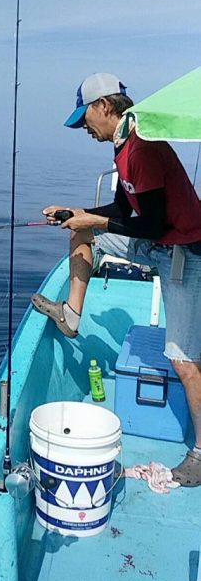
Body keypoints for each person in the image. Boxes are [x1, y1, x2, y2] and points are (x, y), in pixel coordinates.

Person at [32, 72, 201, 487]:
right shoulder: (123, 147)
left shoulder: (141, 147)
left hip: (184, 253)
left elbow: (153, 223)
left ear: (105, 106)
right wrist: (79, 214)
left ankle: (200, 453)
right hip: (158, 244)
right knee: (82, 231)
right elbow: (125, 210)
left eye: (85, 118)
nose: (84, 128)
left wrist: (95, 217)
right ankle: (71, 315)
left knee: (183, 361)